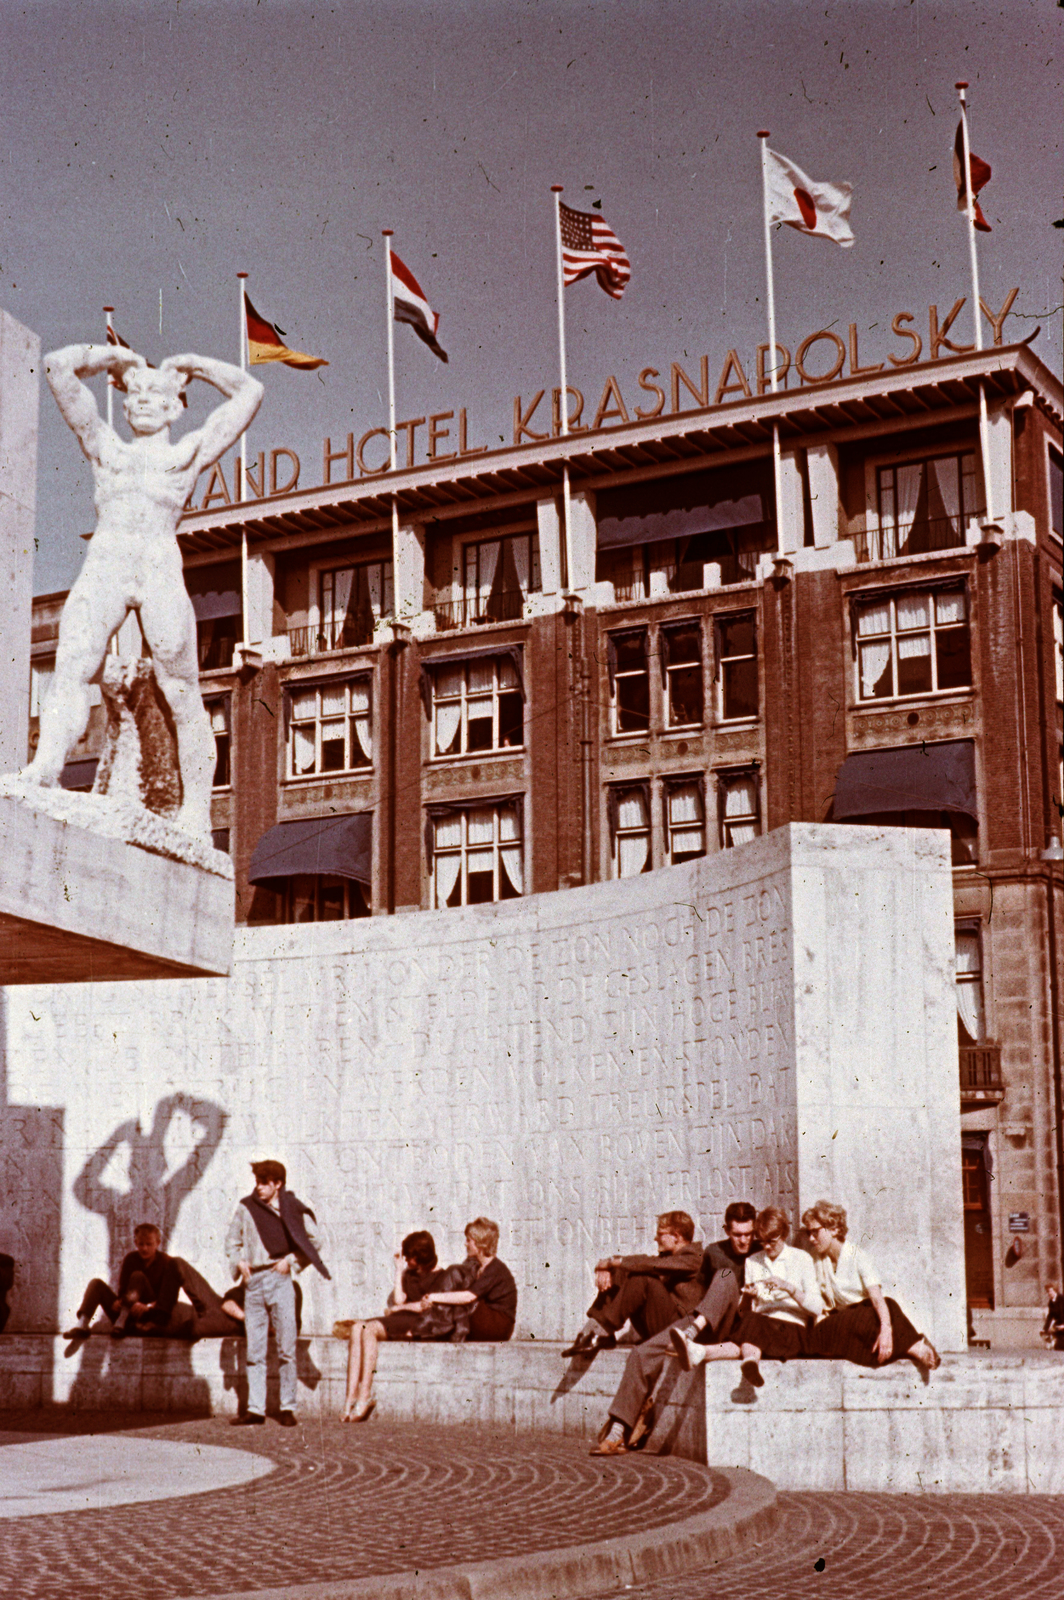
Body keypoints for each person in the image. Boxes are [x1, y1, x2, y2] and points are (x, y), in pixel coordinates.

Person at [21, 341, 263, 840]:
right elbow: (57, 366)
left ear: (176, 407)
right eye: (137, 394)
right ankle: (46, 767)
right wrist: (115, 360)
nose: (145, 401)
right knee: (71, 666)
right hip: (106, 563)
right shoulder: (106, 447)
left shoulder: (186, 455)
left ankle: (197, 810)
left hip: (157, 567)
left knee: (182, 690)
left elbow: (250, 391)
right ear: (126, 405)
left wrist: (194, 363)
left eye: (158, 394)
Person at [590, 1201, 760, 1457]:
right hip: (699, 1320)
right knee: (640, 1354)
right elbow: (687, 1285)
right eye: (737, 1234)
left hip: (732, 1325)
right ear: (727, 1230)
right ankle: (617, 1432)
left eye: (748, 1234)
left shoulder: (761, 1250)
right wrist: (607, 1265)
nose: (744, 1240)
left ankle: (690, 1333)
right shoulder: (713, 1252)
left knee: (726, 1276)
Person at [226, 1158, 330, 1427]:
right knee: (254, 1350)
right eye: (257, 1182)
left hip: (279, 1279)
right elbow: (232, 1241)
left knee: (286, 1348)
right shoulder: (246, 1207)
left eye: (264, 1183)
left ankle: (287, 1407)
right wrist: (239, 1262)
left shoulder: (291, 1207)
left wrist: (292, 1261)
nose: (259, 1187)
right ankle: (255, 1409)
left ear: (278, 1184)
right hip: (253, 1282)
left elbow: (316, 1240)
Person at [670, 1206, 823, 1388]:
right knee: (750, 1322)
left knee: (751, 1327)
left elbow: (817, 1307)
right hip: (761, 1329)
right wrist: (749, 1298)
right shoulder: (753, 1261)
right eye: (763, 1241)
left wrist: (788, 1288)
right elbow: (746, 1312)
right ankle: (748, 1362)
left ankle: (703, 1352)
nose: (767, 1247)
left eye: (772, 1242)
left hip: (791, 1328)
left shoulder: (801, 1258)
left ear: (783, 1235)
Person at [800, 1200, 941, 1380]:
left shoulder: (858, 1256)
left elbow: (876, 1299)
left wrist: (886, 1330)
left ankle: (909, 1346)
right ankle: (912, 1346)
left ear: (834, 1229)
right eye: (808, 1233)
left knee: (886, 1306)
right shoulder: (815, 1260)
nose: (811, 1239)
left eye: (815, 1232)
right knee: (838, 1325)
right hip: (838, 1323)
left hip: (863, 1322)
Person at [562, 1210, 704, 1356]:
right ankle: (594, 1330)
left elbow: (650, 1264)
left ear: (676, 1236)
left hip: (681, 1331)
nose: (656, 1238)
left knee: (642, 1277)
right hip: (663, 1326)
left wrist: (612, 1263)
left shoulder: (696, 1257)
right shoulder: (670, 1257)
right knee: (624, 1270)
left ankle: (602, 1330)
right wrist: (606, 1267)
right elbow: (638, 1262)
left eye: (660, 1234)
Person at [340, 1230, 447, 1423]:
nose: (405, 1259)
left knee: (369, 1329)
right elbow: (399, 1299)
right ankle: (350, 1397)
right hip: (401, 1318)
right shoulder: (409, 1273)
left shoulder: (441, 1276)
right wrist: (398, 1270)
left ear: (420, 1257)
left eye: (409, 1257)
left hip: (418, 1322)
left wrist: (398, 1309)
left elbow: (424, 1307)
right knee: (357, 1328)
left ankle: (365, 1396)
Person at [407, 1217, 518, 1342]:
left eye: (469, 1240)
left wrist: (433, 1297)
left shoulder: (495, 1268)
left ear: (480, 1244)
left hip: (497, 1325)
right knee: (455, 1275)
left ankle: (425, 1325)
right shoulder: (477, 1265)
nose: (465, 1244)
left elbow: (468, 1297)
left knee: (457, 1292)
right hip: (485, 1319)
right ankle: (430, 1324)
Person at [65, 1223, 183, 1337]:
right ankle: (83, 1325)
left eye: (149, 1244)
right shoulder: (131, 1259)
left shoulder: (167, 1262)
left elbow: (169, 1299)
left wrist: (148, 1306)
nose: (144, 1248)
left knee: (138, 1276)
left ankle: (122, 1324)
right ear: (135, 1243)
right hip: (127, 1312)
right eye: (141, 1244)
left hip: (148, 1315)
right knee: (96, 1284)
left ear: (157, 1243)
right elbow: (123, 1289)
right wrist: (119, 1302)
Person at [1042, 1284, 1064, 1351]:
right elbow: (1050, 1316)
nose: (1049, 1293)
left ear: (1055, 1291)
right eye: (1048, 1291)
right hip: (1059, 1326)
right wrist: (1045, 1329)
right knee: (1058, 1347)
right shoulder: (1051, 1302)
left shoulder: (1062, 1299)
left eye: (1051, 1291)